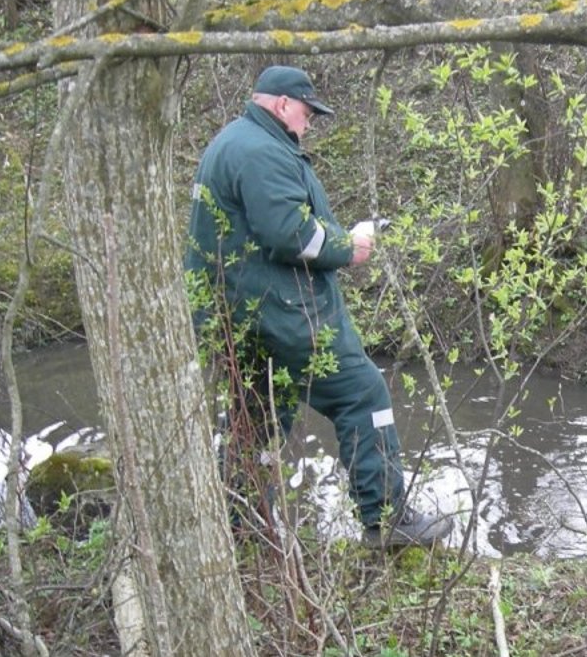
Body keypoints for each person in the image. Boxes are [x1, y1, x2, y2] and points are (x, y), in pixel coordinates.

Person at [184, 65, 451, 547]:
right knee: (363, 393)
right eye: (307, 112)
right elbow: (292, 235)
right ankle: (386, 518)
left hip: (238, 316)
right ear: (283, 104)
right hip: (284, 314)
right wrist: (351, 246)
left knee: (260, 412)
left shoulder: (231, 142)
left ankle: (239, 521)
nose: (309, 123)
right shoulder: (264, 151)